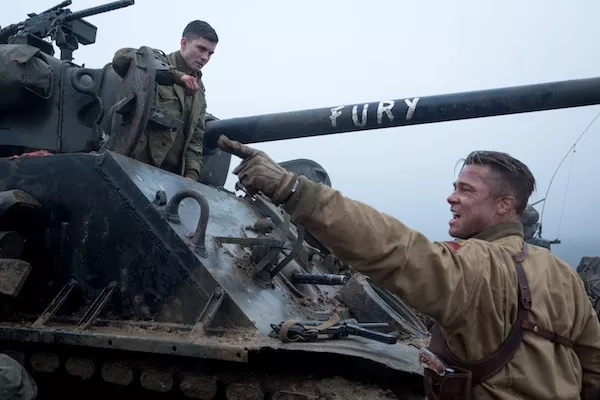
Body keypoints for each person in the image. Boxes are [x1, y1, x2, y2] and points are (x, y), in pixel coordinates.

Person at [215, 135, 600, 400]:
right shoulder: (563, 275)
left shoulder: (477, 265)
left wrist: (293, 190)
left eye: (467, 190)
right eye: (455, 186)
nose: (452, 197)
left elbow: (396, 250)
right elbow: (593, 362)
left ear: (504, 205)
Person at [110, 20, 218, 181]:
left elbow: (195, 138)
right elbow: (120, 57)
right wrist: (175, 75)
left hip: (169, 179)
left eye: (210, 53)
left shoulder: (199, 93)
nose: (205, 57)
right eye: (201, 49)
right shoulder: (154, 63)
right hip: (133, 165)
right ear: (184, 43)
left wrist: (191, 175)